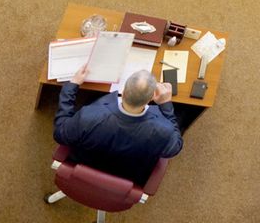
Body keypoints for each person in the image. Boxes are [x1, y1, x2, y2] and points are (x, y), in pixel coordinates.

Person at [53, 65, 182, 186]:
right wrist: (166, 105)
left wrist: (72, 85)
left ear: (123, 92)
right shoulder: (163, 131)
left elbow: (60, 134)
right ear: (152, 98)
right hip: (127, 177)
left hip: (84, 167)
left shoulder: (88, 116)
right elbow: (174, 148)